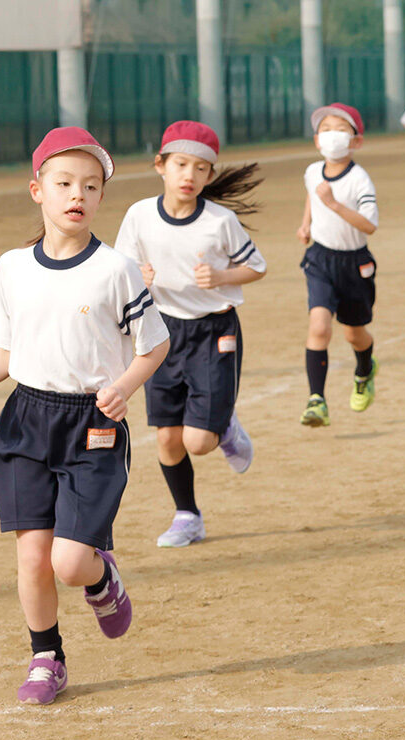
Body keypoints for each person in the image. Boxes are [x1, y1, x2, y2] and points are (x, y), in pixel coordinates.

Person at [0, 128, 170, 705]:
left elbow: (154, 345)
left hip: (92, 424)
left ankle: (101, 577)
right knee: (32, 555)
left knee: (69, 563)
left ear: (99, 197)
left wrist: (122, 386)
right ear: (36, 190)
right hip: (25, 420)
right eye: (64, 182)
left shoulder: (116, 270)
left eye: (91, 186)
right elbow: (8, 351)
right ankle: (47, 657)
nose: (78, 194)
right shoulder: (12, 267)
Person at [114, 120, 266, 549]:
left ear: (210, 176)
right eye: (180, 164)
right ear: (160, 165)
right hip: (161, 332)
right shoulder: (140, 215)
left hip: (215, 329)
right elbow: (120, 269)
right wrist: (135, 275)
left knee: (198, 441)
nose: (189, 176)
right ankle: (188, 516)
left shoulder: (221, 221)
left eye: (201, 169)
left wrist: (221, 275)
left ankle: (225, 427)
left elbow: (257, 266)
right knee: (167, 437)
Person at [296, 102, 379, 427]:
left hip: (355, 263)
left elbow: (369, 225)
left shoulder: (360, 180)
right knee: (319, 326)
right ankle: (317, 400)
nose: (332, 136)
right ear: (317, 140)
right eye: (326, 129)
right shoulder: (312, 171)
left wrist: (333, 204)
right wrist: (306, 224)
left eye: (341, 130)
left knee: (354, 334)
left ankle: (365, 369)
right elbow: (311, 196)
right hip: (319, 258)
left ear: (356, 141)